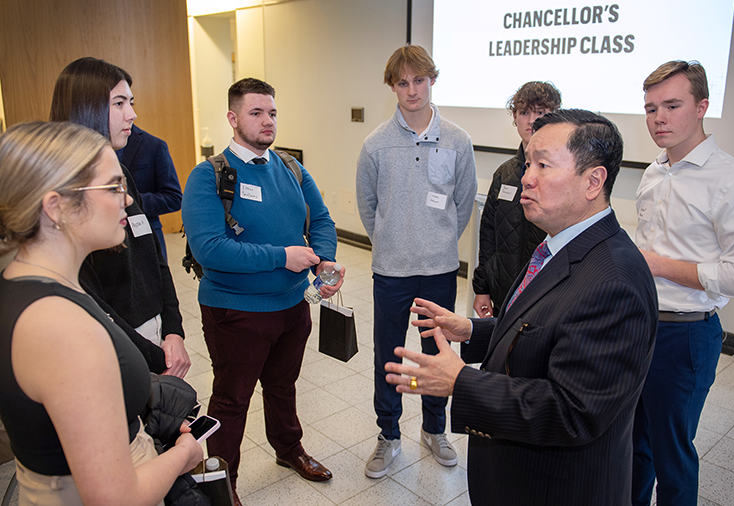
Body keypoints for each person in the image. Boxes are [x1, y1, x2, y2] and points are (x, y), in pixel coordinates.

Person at [385, 109, 659, 505]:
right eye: (529, 162)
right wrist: (472, 330)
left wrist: (461, 381)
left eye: (543, 165)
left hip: (555, 488)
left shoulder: (613, 281)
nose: (527, 177)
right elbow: (546, 328)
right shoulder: (558, 244)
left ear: (593, 181)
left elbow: (573, 412)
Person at [0, 121, 203, 506]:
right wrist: (183, 456)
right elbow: (115, 498)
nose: (127, 200)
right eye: (112, 187)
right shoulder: (62, 328)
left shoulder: (27, 280)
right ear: (56, 207)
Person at [182, 78, 343, 502]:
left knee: (283, 385)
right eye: (256, 113)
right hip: (236, 313)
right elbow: (210, 249)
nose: (267, 120)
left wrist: (323, 259)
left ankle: (289, 450)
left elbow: (322, 221)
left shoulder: (291, 167)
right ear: (233, 119)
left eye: (272, 112)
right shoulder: (207, 176)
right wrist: (281, 257)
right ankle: (222, 480)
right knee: (232, 401)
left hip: (293, 306)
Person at [632, 61, 734, 505]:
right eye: (650, 108)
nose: (658, 118)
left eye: (671, 105)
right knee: (634, 446)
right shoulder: (654, 172)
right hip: (640, 325)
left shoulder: (733, 182)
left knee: (672, 456)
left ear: (702, 106)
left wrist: (662, 266)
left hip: (686, 335)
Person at [355, 44, 477, 478]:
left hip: (440, 270)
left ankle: (434, 429)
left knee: (437, 354)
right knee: (389, 355)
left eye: (419, 80)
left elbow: (462, 206)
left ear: (432, 80)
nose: (412, 90)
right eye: (403, 82)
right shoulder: (375, 145)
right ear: (392, 86)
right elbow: (368, 207)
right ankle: (388, 435)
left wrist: (437, 241)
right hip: (391, 272)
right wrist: (392, 241)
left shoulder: (459, 140)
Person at [50, 57, 191, 377]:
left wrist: (173, 331)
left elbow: (154, 259)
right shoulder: (64, 193)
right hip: (113, 347)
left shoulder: (120, 173)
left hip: (155, 336)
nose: (133, 114)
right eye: (119, 103)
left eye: (131, 102)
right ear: (85, 108)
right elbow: (89, 301)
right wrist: (154, 359)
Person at [472, 81, 561, 318]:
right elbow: (488, 233)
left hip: (548, 299)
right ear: (515, 117)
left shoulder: (565, 174)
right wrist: (482, 289)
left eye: (541, 112)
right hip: (504, 295)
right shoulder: (505, 174)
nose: (532, 120)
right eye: (524, 112)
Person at [117, 125, 183, 260]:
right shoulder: (85, 144)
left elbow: (174, 198)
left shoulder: (154, 145)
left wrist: (131, 200)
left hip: (145, 236)